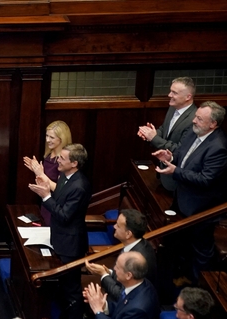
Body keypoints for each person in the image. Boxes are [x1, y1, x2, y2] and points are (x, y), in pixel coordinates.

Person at [153, 101, 227, 281]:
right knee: (181, 243)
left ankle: (198, 286)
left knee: (200, 250)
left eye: (199, 119)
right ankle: (179, 278)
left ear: (213, 124)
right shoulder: (195, 134)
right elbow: (181, 154)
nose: (194, 121)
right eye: (195, 117)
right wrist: (169, 157)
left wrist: (175, 171)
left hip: (202, 209)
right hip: (182, 200)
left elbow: (206, 179)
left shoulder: (218, 147)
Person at [28, 143, 91, 319]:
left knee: (71, 289)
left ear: (74, 164)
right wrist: (43, 181)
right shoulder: (65, 177)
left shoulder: (79, 186)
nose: (57, 161)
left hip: (70, 244)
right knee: (63, 286)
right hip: (59, 237)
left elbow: (64, 215)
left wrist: (46, 196)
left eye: (62, 159)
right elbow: (59, 197)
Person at [138, 76, 196, 191]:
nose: (169, 95)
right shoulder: (173, 108)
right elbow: (164, 130)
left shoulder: (194, 120)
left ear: (188, 97)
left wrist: (154, 138)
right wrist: (149, 134)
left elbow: (180, 150)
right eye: (170, 91)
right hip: (161, 173)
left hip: (175, 182)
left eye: (174, 93)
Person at [85, 209, 158, 299]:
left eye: (118, 226)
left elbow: (122, 295)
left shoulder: (137, 259)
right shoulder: (133, 244)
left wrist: (104, 275)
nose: (114, 226)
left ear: (128, 234)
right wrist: (109, 272)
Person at [83, 252, 160, 319]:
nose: (114, 269)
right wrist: (103, 305)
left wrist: (98, 310)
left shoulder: (137, 310)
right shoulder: (138, 283)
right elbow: (122, 308)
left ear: (128, 275)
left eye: (118, 267)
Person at [23, 120, 72, 225]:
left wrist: (41, 174)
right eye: (47, 136)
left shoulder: (64, 161)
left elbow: (61, 190)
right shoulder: (49, 155)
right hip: (45, 203)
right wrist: (36, 171)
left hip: (56, 206)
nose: (47, 140)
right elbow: (45, 182)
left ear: (61, 139)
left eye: (52, 137)